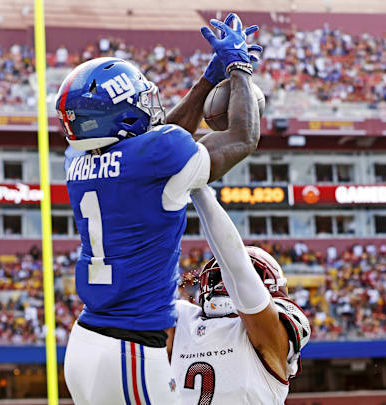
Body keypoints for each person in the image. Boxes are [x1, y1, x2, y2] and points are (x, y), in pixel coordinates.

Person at [59, 13, 263, 405]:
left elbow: (159, 142)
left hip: (86, 342)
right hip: (128, 349)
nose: (148, 105)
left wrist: (208, 80)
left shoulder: (77, 158)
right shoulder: (157, 154)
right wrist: (239, 68)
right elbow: (242, 136)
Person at [168, 186, 311, 405]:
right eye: (220, 278)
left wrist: (199, 189)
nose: (226, 283)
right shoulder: (184, 318)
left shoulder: (269, 334)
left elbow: (237, 269)